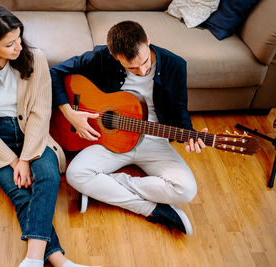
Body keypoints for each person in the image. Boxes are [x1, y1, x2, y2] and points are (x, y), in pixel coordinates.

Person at [0, 5, 100, 267]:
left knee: (48, 177)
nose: (19, 47)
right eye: (10, 44)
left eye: (19, 39)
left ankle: (33, 260)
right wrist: (14, 162)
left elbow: (40, 114)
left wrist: (25, 158)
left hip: (33, 136)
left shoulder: (36, 59)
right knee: (21, 193)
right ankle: (60, 261)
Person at [50, 21, 207, 236]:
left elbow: (180, 109)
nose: (141, 70)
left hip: (153, 140)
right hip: (109, 141)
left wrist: (190, 135)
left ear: (148, 40)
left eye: (144, 62)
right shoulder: (102, 57)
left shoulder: (175, 65)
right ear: (116, 57)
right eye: (132, 67)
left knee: (186, 189)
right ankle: (151, 210)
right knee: (75, 174)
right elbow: (54, 73)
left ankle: (107, 185)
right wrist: (71, 114)